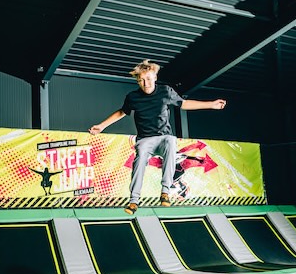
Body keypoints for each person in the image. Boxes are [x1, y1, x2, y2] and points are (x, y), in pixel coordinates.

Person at [88, 59, 226, 214]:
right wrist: (102, 126)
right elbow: (122, 112)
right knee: (139, 160)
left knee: (170, 141)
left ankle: (165, 191)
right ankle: (134, 201)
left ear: (154, 77)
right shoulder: (132, 97)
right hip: (145, 140)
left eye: (148, 79)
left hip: (163, 138)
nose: (145, 84)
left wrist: (210, 104)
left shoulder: (165, 91)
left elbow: (184, 104)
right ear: (138, 81)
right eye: (141, 80)